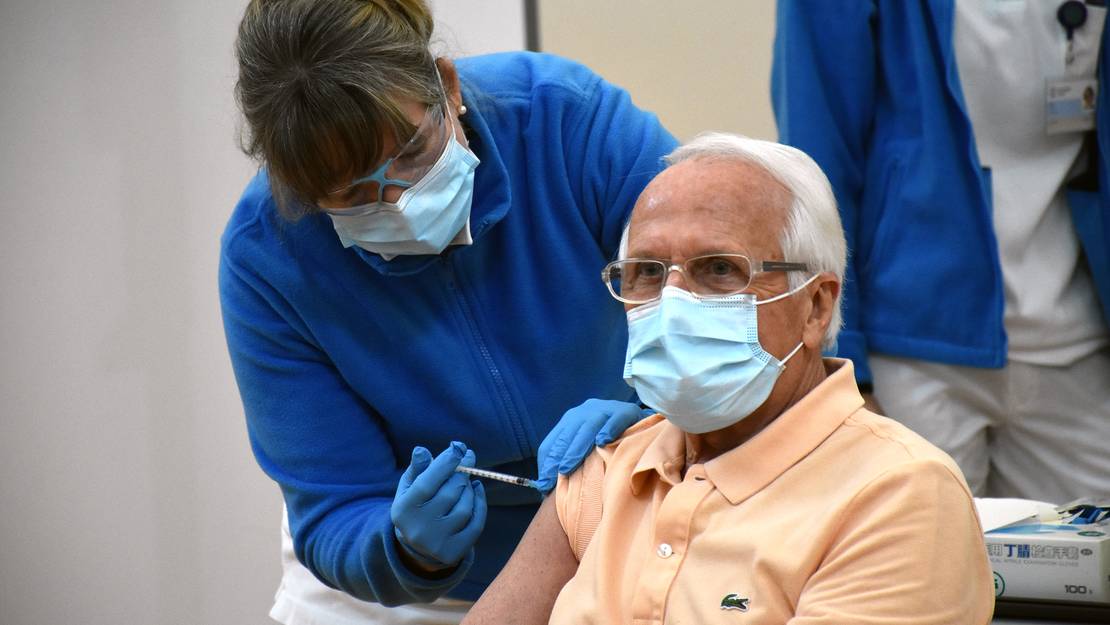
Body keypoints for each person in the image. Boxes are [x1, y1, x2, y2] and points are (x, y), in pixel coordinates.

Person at [219, 1, 676, 623]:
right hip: (421, 598)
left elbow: (719, 283)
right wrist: (406, 549)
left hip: (632, 532)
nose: (401, 202)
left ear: (448, 87)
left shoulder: (561, 118)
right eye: (352, 193)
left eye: (411, 151)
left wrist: (657, 418)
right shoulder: (268, 256)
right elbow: (334, 509)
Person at [459, 133, 995, 625]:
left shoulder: (897, 495)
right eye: (647, 272)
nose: (673, 303)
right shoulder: (606, 470)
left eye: (718, 269)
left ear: (815, 307)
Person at [772, 0, 1110, 501]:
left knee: (1087, 571)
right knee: (922, 562)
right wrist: (841, 365)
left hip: (1079, 340)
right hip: (909, 352)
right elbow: (819, 173)